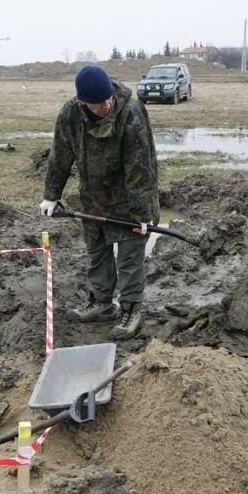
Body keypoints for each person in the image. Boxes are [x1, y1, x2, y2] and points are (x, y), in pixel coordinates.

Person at [40, 64, 159, 338]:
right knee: (97, 251)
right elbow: (59, 156)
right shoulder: (70, 114)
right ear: (83, 102)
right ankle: (101, 302)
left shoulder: (131, 113)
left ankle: (131, 308)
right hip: (93, 195)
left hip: (132, 196)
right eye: (97, 103)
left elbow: (139, 168)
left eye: (108, 98)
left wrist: (142, 214)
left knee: (129, 255)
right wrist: (51, 195)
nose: (106, 105)